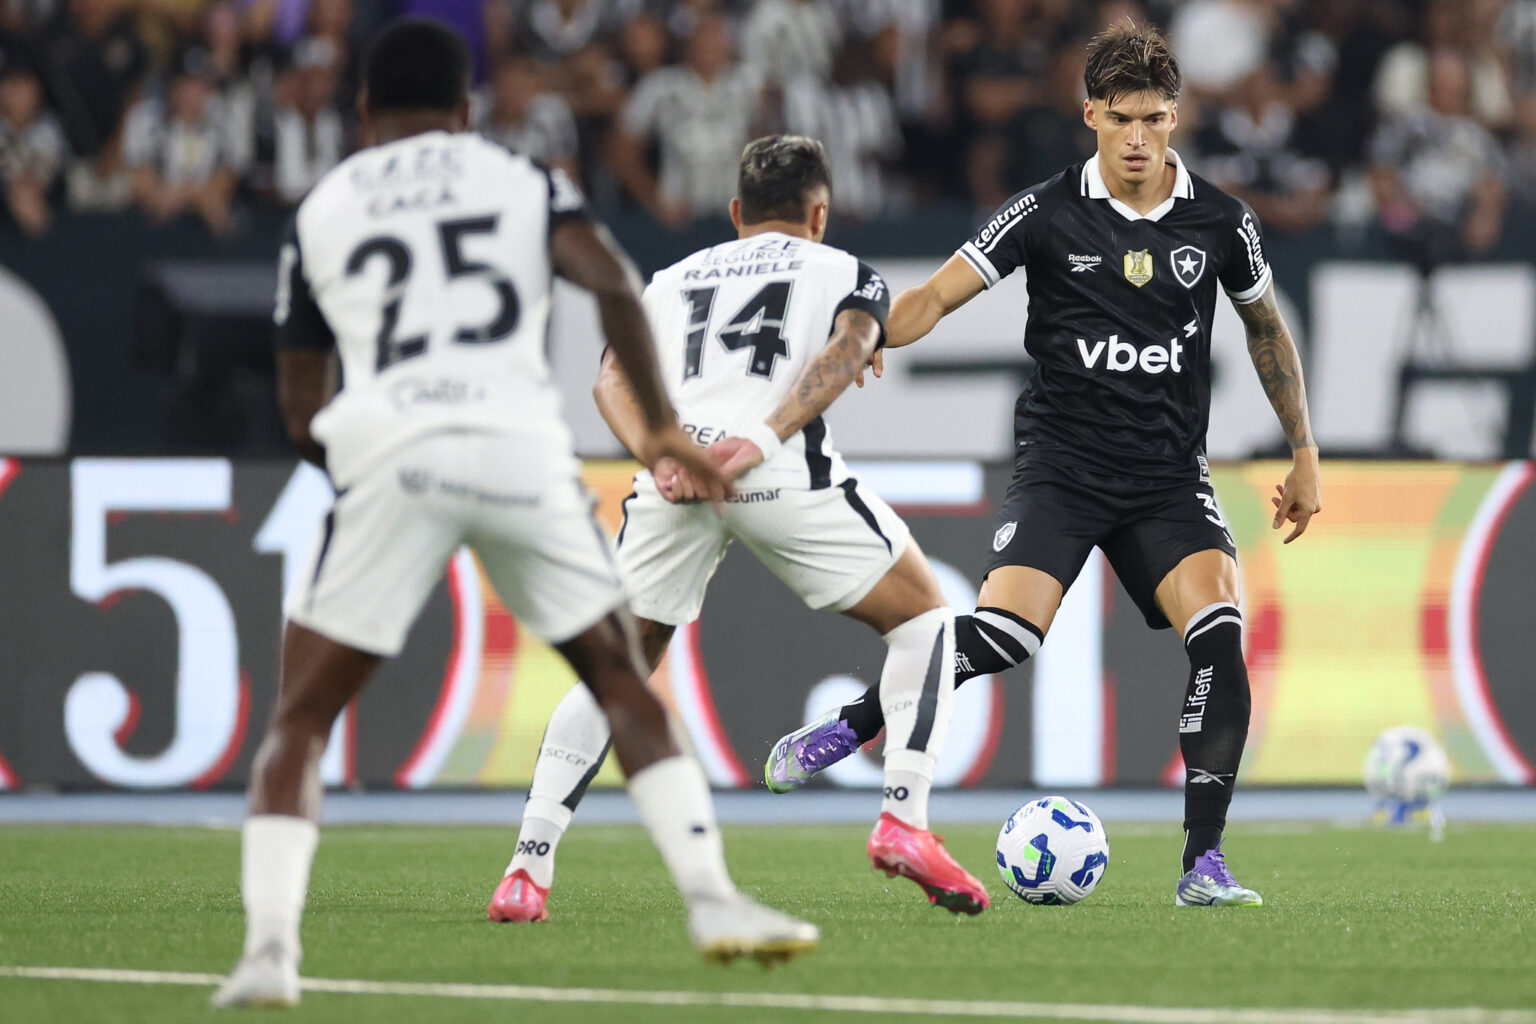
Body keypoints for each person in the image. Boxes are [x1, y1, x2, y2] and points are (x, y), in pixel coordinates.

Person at [212, 19, 817, 1010]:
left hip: (390, 450)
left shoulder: (321, 209)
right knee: (620, 675)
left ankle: (270, 953)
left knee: (303, 717)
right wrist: (661, 431)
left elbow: (294, 407)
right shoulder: (521, 177)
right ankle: (712, 900)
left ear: (362, 115)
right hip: (519, 451)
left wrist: (361, 461)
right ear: (465, 110)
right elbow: (616, 281)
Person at [769, 21, 1323, 908]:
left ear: (1175, 116)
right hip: (1063, 466)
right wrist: (873, 330)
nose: (1138, 138)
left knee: (1220, 636)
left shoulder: (1222, 221)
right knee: (1002, 638)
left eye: (1153, 118)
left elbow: (1267, 332)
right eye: (1121, 119)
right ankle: (849, 728)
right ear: (1091, 114)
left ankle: (1203, 864)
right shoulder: (1045, 211)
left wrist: (1305, 452)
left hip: (1167, 478)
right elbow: (937, 294)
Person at [485, 134, 989, 926]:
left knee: (619, 666)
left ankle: (526, 869)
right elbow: (854, 344)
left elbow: (609, 377)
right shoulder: (844, 270)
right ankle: (904, 819)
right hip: (772, 463)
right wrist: (759, 438)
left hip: (677, 470)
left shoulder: (672, 279)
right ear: (819, 213)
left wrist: (658, 452)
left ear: (734, 214)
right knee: (926, 618)